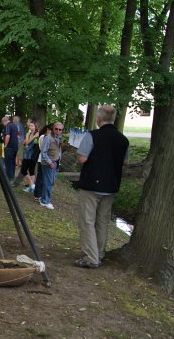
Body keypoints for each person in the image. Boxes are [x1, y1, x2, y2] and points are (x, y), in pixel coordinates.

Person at [75, 105, 129, 269]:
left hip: (91, 185)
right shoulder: (123, 139)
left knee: (87, 221)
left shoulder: (93, 136)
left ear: (98, 119)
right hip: (111, 186)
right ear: (113, 119)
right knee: (102, 222)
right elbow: (125, 162)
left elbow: (82, 159)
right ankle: (99, 253)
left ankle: (91, 257)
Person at [38, 123, 62, 209]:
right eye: (56, 129)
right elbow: (43, 152)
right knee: (48, 182)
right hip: (48, 163)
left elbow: (58, 151)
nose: (58, 131)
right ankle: (45, 201)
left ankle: (43, 198)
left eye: (60, 129)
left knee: (50, 182)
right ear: (53, 129)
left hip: (55, 163)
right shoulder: (48, 138)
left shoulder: (59, 138)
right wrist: (50, 163)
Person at [13, 120, 40, 191]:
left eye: (32, 126)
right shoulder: (30, 133)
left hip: (33, 155)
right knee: (24, 170)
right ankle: (32, 185)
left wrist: (32, 137)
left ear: (35, 127)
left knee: (30, 170)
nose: (30, 127)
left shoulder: (38, 134)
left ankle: (31, 187)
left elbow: (31, 143)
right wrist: (31, 137)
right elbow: (26, 143)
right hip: (27, 154)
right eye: (30, 126)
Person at [1, 116, 19, 181]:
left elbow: (8, 136)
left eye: (3, 123)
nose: (3, 125)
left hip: (9, 147)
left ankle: (8, 179)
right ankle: (12, 177)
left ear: (4, 121)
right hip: (15, 147)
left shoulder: (8, 126)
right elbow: (17, 135)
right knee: (13, 163)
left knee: (8, 163)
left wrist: (5, 145)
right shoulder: (14, 125)